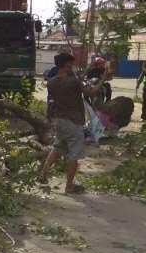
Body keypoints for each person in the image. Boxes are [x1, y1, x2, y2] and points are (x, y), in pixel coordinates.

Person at [39, 52, 104, 194]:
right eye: (72, 64)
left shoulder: (52, 82)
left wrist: (90, 66)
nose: (73, 66)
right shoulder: (73, 82)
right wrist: (103, 78)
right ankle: (69, 186)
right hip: (73, 122)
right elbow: (91, 93)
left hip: (59, 120)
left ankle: (43, 175)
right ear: (67, 64)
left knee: (57, 148)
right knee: (74, 155)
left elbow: (74, 80)